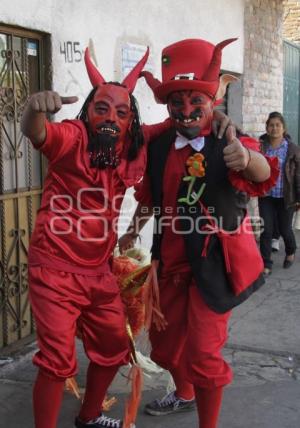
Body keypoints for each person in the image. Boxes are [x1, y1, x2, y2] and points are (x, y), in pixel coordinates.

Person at [21, 45, 232, 428]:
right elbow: (38, 133)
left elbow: (182, 117)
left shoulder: (133, 144)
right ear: (88, 111)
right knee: (57, 361)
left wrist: (218, 116)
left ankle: (88, 417)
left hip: (98, 271)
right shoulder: (71, 137)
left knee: (115, 347)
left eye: (122, 112)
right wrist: (35, 108)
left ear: (130, 119)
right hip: (53, 269)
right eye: (103, 108)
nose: (111, 119)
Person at [119, 38, 277, 428]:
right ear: (168, 106)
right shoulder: (158, 145)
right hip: (170, 263)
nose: (187, 111)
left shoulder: (228, 137)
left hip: (214, 264)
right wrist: (129, 232)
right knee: (167, 350)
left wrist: (247, 157)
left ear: (211, 103)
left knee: (204, 354)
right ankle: (185, 392)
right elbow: (150, 197)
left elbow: (263, 174)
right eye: (178, 104)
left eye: (196, 103)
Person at [259, 111, 300, 276]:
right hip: (266, 195)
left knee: (285, 229)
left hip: (286, 196)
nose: (274, 128)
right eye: (271, 125)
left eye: (278, 125)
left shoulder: (292, 149)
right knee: (266, 230)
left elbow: (298, 175)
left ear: (283, 128)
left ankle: (290, 252)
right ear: (267, 127)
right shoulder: (261, 146)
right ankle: (266, 263)